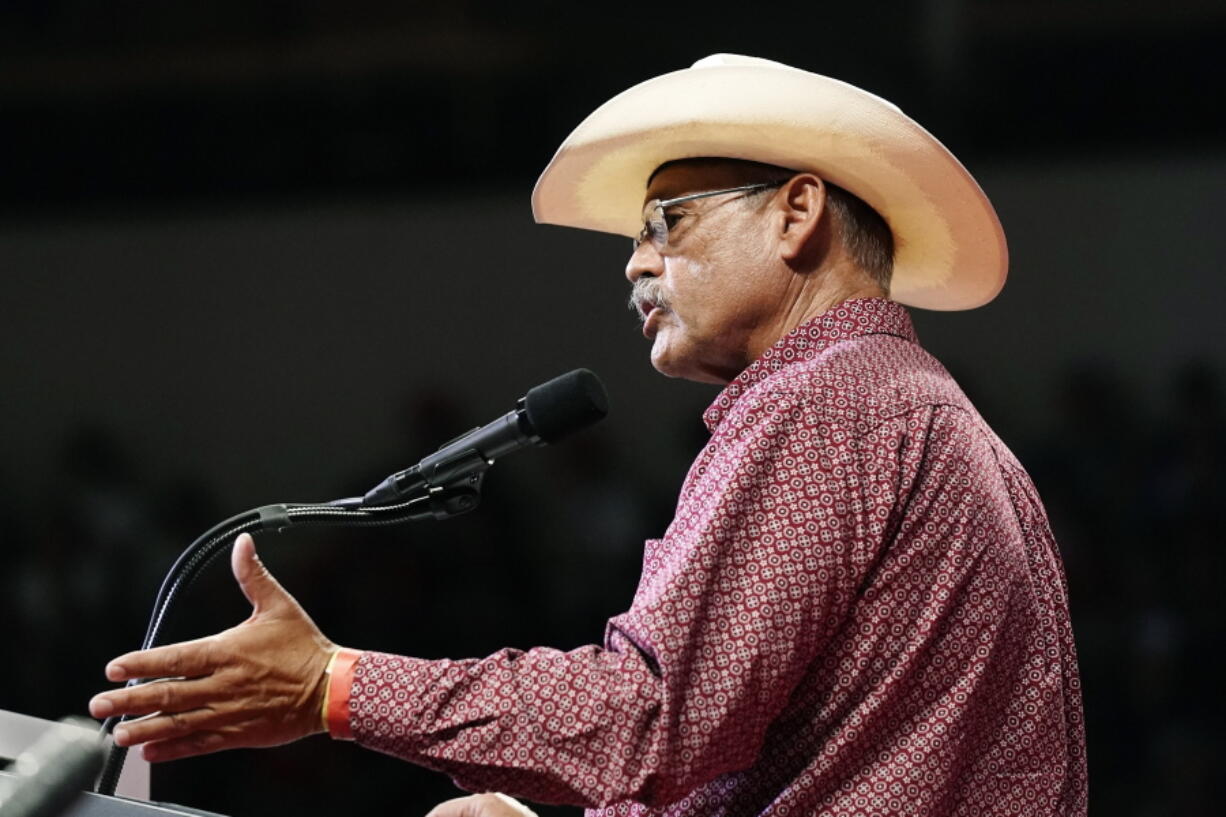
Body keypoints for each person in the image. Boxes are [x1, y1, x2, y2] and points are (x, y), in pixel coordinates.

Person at [90, 55, 1087, 816]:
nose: (633, 266)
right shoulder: (933, 417)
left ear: (795, 214)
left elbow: (651, 720)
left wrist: (333, 684)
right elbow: (784, 758)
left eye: (667, 222)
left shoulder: (824, 406)